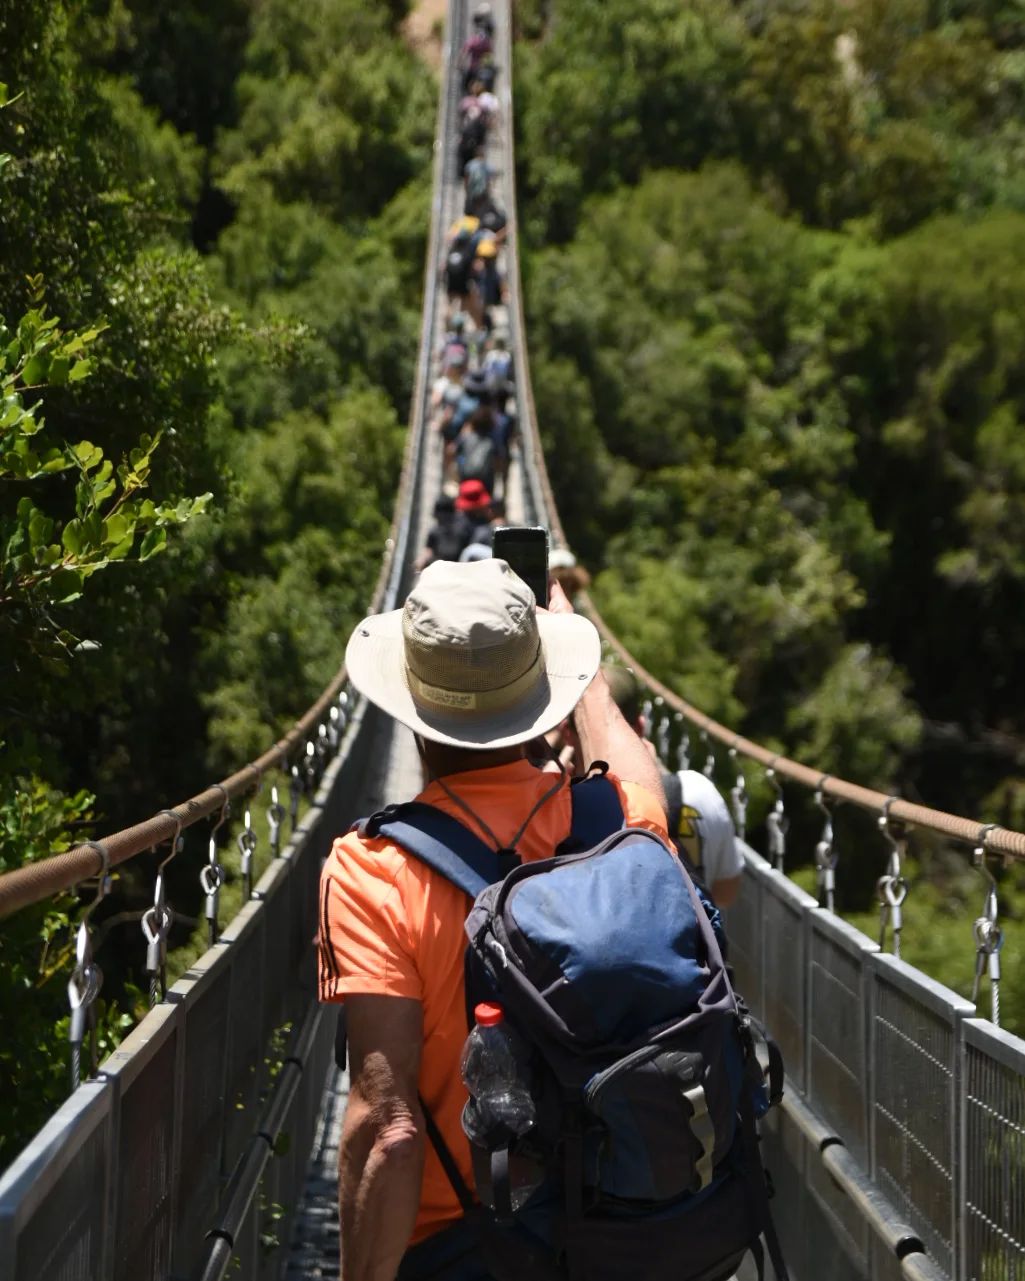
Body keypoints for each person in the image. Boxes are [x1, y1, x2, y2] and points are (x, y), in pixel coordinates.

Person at [319, 560, 668, 1281]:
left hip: (463, 1250)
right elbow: (633, 761)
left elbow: (388, 1131)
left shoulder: (369, 869)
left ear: (407, 698)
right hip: (626, 1236)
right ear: (544, 690)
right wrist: (574, 642)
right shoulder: (625, 824)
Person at [604, 664, 744, 907]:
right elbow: (725, 893)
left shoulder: (561, 807)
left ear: (567, 732)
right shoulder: (699, 792)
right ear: (640, 725)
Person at [416, 495, 472, 572]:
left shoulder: (464, 527)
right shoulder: (435, 530)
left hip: (461, 568)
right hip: (442, 569)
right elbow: (428, 549)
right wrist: (422, 560)